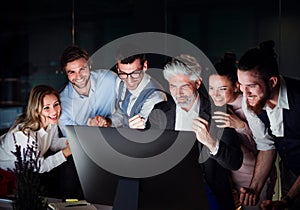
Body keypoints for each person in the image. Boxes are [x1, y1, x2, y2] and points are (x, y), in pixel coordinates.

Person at [146, 54, 243, 210]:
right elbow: (148, 155)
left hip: (208, 193)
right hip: (169, 192)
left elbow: (235, 162)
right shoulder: (160, 113)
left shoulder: (218, 113)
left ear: (197, 83)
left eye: (184, 86)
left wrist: (212, 143)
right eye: (173, 86)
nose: (178, 93)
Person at [237, 40, 300, 210]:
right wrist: (254, 189)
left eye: (250, 86)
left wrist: (287, 200)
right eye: (241, 86)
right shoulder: (250, 100)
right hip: (291, 171)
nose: (245, 93)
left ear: (272, 82)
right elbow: (266, 146)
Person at [209, 52, 275, 209]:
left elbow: (266, 144)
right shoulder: (216, 107)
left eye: (222, 88)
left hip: (253, 175)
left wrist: (240, 126)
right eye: (211, 88)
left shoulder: (250, 105)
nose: (215, 94)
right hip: (230, 176)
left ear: (236, 86)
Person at [90, 46, 167, 129]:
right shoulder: (120, 82)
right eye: (123, 73)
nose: (129, 81)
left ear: (145, 66)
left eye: (135, 73)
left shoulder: (155, 97)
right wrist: (108, 122)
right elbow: (122, 114)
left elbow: (146, 133)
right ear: (118, 69)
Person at [0, 84, 71, 173]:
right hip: (6, 173)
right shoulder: (24, 134)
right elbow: (39, 167)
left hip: (28, 170)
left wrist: (72, 142)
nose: (54, 111)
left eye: (56, 104)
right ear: (36, 110)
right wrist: (67, 152)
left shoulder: (51, 121)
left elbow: (53, 143)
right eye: (47, 107)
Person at [59, 45, 117, 136]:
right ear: (66, 73)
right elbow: (72, 140)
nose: (79, 76)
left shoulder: (110, 79)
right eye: (72, 72)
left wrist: (109, 121)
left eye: (82, 69)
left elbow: (127, 110)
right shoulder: (62, 105)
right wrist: (88, 125)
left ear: (89, 64)